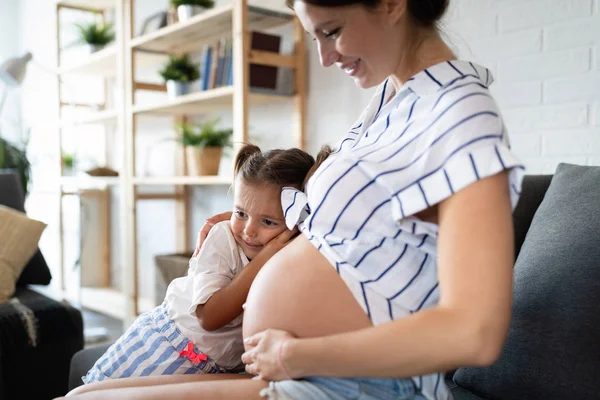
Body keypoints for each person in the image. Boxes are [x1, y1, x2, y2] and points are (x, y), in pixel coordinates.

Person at [60, 0, 525, 398]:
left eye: (332, 31)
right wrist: (246, 221)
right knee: (83, 392)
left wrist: (293, 352)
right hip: (299, 370)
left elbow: (475, 333)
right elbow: (355, 233)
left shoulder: (462, 114)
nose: (323, 57)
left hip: (360, 382)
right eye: (313, 35)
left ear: (391, 4)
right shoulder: (391, 95)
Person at [70, 144, 329, 395]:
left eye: (268, 221)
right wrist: (265, 254)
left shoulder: (293, 256)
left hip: (216, 368)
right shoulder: (223, 238)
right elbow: (209, 317)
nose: (249, 230)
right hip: (168, 348)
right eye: (240, 213)